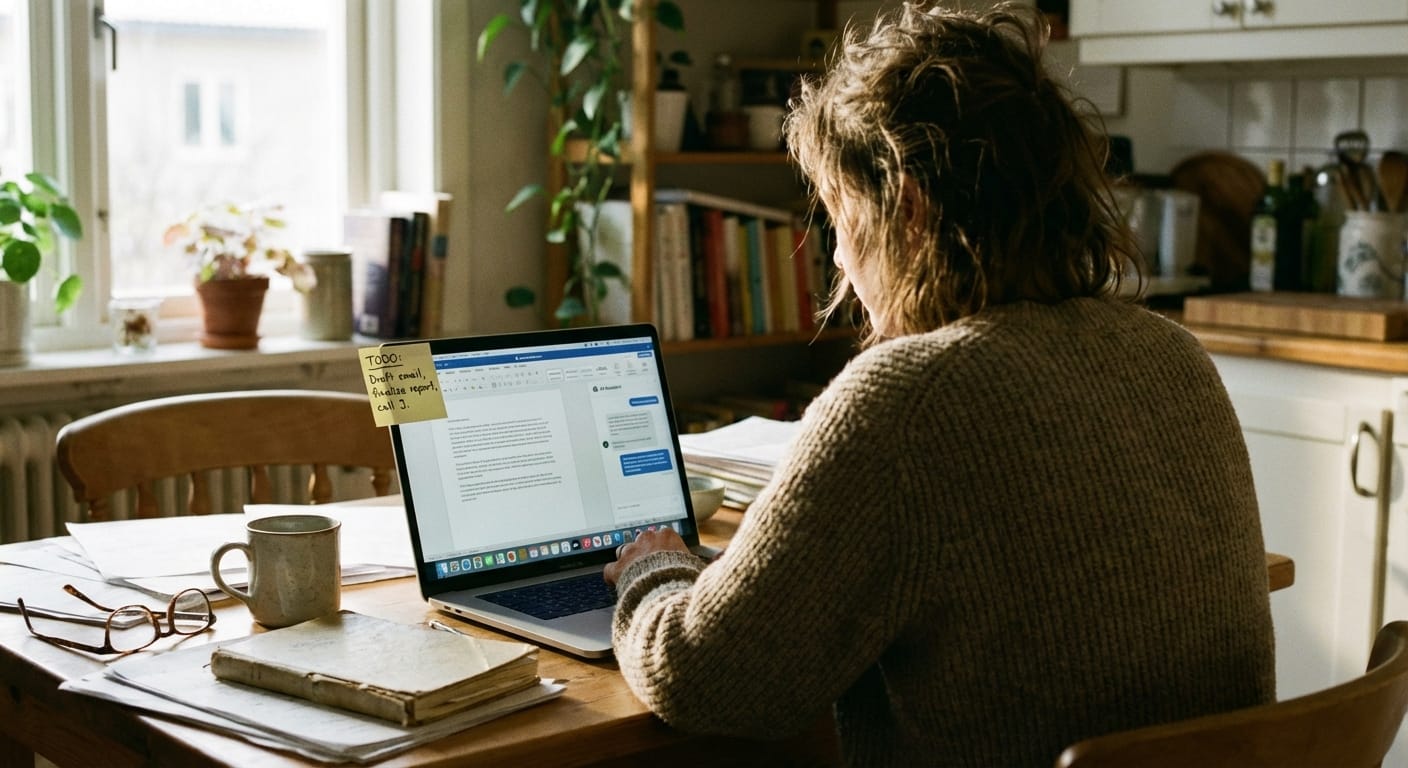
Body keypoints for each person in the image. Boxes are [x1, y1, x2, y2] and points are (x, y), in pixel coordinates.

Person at [604, 3, 1274, 765]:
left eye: (839, 222)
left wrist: (653, 568)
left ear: (907, 214)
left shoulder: (909, 401)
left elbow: (707, 678)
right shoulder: (1169, 353)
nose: (840, 267)